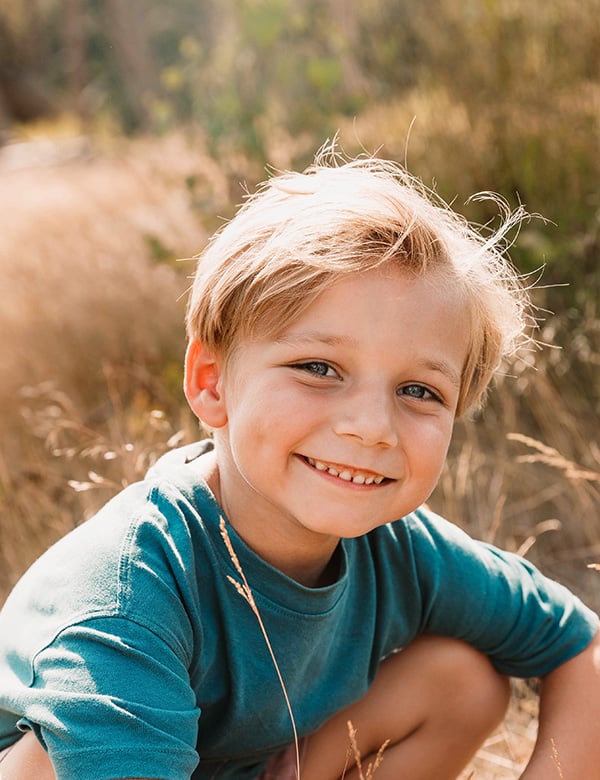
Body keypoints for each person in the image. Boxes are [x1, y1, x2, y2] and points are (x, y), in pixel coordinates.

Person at [0, 147, 598, 780]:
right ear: (211, 383)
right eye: (318, 368)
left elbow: (580, 645)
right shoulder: (128, 597)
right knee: (41, 764)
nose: (370, 427)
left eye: (419, 390)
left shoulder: (403, 552)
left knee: (460, 680)